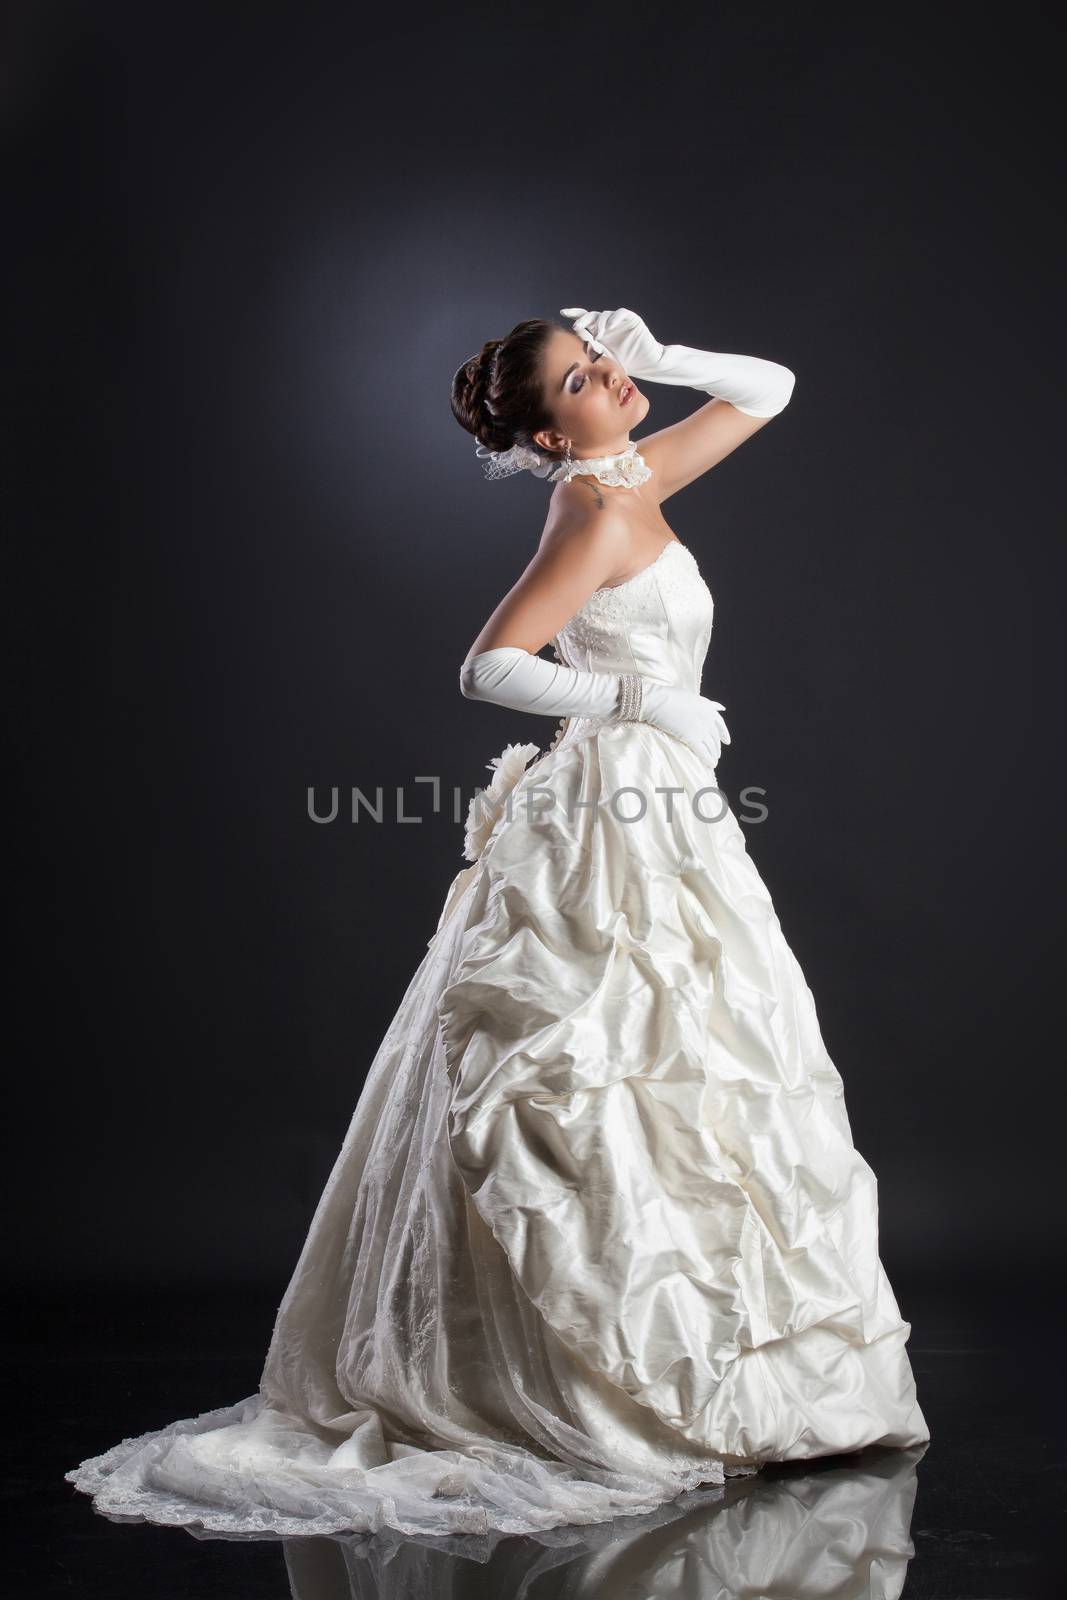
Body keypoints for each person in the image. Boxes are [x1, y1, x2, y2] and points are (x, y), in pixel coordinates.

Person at [64, 305, 929, 1541]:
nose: (613, 380)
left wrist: (667, 355)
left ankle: (726, 1364)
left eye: (605, 361)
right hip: (615, 801)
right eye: (586, 377)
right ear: (542, 429)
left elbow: (775, 385)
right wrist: (644, 702)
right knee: (587, 1058)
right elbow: (490, 665)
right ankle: (589, 1376)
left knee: (697, 1052)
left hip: (667, 803)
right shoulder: (586, 507)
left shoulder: (634, 465)